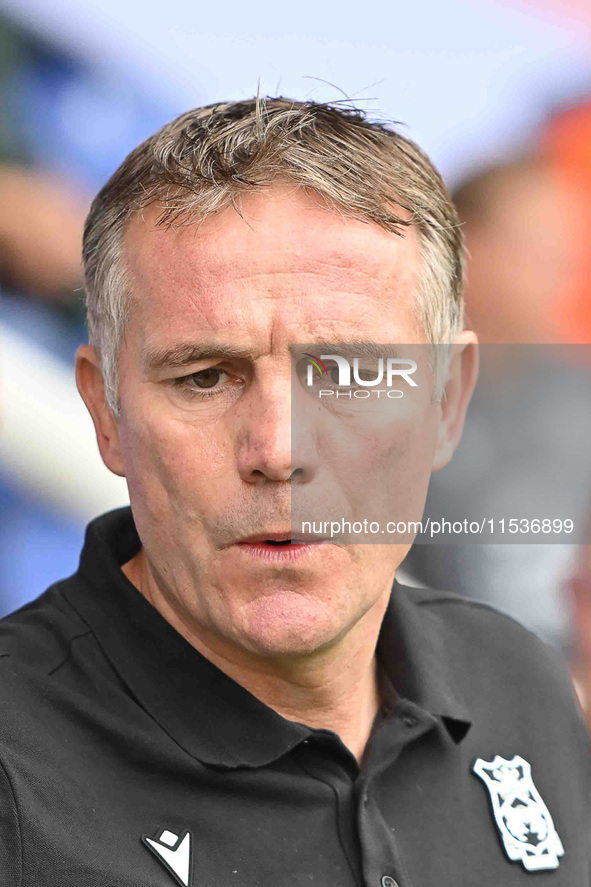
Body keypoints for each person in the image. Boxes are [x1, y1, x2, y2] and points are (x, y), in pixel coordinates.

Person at [0, 98, 589, 887]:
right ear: (106, 410)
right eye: (205, 376)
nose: (279, 449)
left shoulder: (520, 681)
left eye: (349, 374)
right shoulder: (17, 779)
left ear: (447, 400)